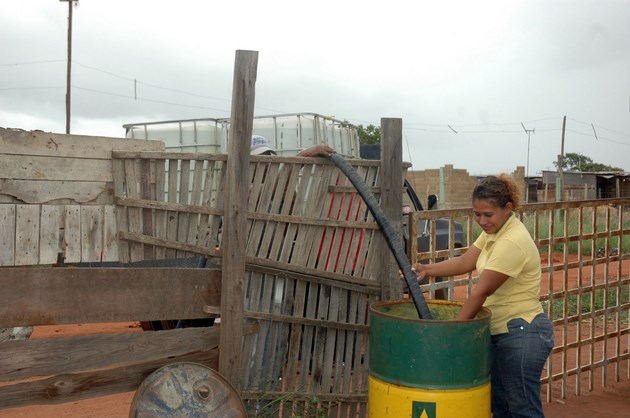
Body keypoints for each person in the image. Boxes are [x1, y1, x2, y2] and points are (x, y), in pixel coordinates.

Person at [410, 174, 553, 418]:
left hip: (521, 333)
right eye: (477, 214)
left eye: (488, 215)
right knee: (500, 406)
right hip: (500, 331)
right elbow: (466, 261)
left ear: (507, 208)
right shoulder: (494, 231)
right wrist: (427, 269)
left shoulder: (512, 240)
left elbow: (481, 292)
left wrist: (454, 332)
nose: (482, 221)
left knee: (522, 410)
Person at [250, 134, 335, 157]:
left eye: (267, 157)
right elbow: (268, 188)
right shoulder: (239, 186)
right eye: (259, 157)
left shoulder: (272, 178)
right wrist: (302, 155)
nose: (266, 165)